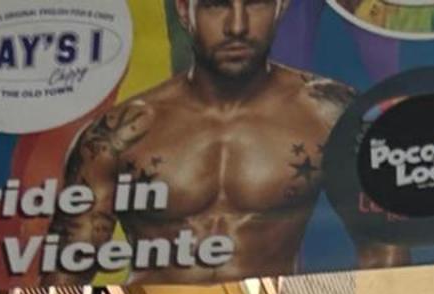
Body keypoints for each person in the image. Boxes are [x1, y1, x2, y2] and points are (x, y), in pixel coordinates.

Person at [59, 0, 403, 279]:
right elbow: (66, 274)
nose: (237, 26)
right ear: (183, 10)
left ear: (281, 7)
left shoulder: (331, 115)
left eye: (254, 4)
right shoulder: (117, 135)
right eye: (215, 5)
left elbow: (384, 255)